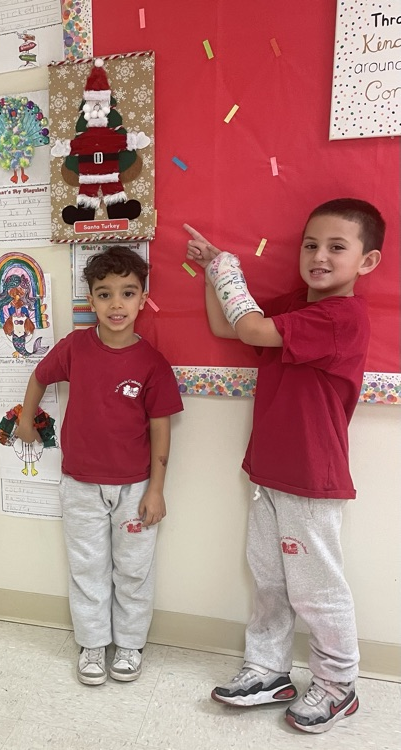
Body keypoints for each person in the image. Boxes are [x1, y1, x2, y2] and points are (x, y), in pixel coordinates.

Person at [184, 198, 384, 734]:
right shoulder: (297, 306)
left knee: (317, 589)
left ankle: (338, 683)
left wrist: (226, 268)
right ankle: (269, 670)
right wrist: (212, 273)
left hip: (310, 478)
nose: (319, 256)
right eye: (311, 245)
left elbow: (252, 329)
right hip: (269, 471)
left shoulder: (340, 318)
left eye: (337, 247)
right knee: (270, 580)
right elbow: (230, 326)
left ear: (367, 261)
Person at [16, 246, 183, 685]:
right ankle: (92, 643)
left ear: (143, 299)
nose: (116, 304)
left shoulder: (152, 363)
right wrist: (26, 420)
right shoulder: (75, 347)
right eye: (105, 294)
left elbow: (161, 430)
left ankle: (129, 643)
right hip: (81, 484)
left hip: (136, 487)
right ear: (90, 300)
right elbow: (40, 376)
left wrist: (156, 489)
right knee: (87, 568)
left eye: (128, 293)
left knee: (134, 570)